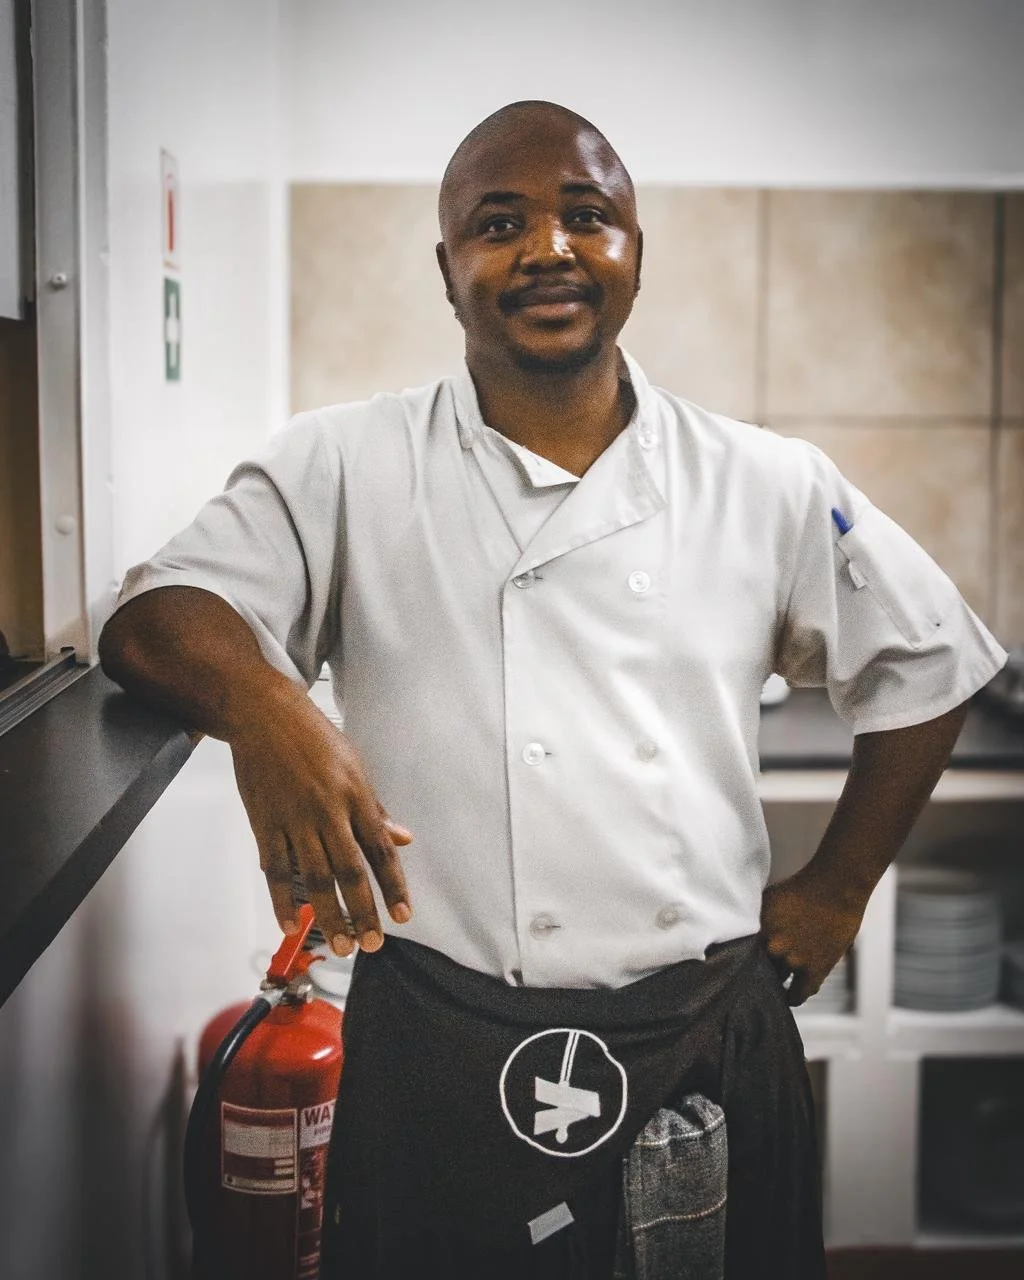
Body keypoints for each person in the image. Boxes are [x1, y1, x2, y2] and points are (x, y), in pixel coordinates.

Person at [99, 101, 1007, 1279]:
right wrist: (273, 711)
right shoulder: (346, 463)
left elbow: (929, 660)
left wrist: (837, 886)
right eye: (498, 222)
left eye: (589, 217)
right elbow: (153, 614)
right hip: (438, 1029)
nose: (548, 248)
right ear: (446, 269)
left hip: (700, 1027)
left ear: (634, 253)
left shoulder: (765, 480)